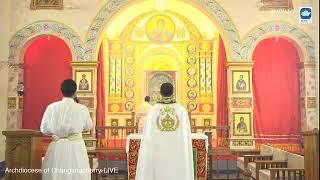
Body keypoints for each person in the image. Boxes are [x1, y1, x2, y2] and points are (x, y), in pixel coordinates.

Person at [135, 83, 194, 180]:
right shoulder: (181, 110)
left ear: (160, 93)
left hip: (158, 153)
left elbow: (148, 137)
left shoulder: (153, 110)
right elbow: (185, 136)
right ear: (172, 92)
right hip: (177, 153)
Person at [41, 79, 92, 180]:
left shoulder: (51, 107)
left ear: (61, 91)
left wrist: (56, 134)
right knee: (77, 173)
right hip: (76, 146)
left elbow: (44, 129)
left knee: (55, 174)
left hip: (57, 145)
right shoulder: (82, 108)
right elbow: (88, 127)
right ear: (75, 92)